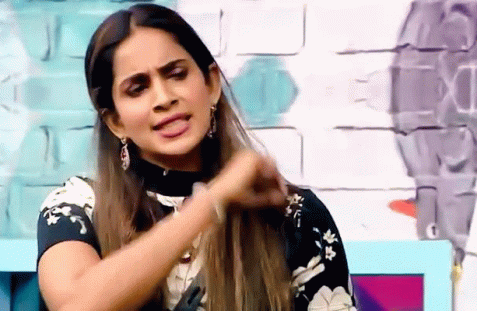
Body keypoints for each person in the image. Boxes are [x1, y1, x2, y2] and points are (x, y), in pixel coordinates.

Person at [37, 4, 356, 311]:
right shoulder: (76, 207)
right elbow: (75, 305)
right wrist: (211, 200)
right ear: (115, 121)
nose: (164, 98)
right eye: (137, 89)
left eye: (176, 74)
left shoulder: (293, 215)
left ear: (212, 84)